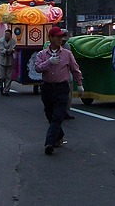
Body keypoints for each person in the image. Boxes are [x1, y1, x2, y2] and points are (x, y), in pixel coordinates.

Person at [34, 26, 84, 155]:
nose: (60, 39)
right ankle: (59, 135)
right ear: (50, 38)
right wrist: (49, 62)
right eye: (57, 37)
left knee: (58, 115)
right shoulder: (42, 54)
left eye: (62, 37)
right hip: (47, 88)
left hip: (61, 88)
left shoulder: (67, 54)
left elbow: (75, 69)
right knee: (49, 114)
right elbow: (38, 68)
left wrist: (79, 84)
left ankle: (49, 143)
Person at [0, 28, 16, 96]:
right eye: (5, 34)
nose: (6, 35)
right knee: (2, 77)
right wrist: (7, 51)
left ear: (11, 35)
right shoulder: (0, 41)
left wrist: (12, 50)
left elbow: (14, 48)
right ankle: (0, 86)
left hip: (10, 60)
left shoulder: (13, 41)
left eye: (8, 34)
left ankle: (6, 90)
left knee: (9, 77)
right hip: (2, 60)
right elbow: (1, 49)